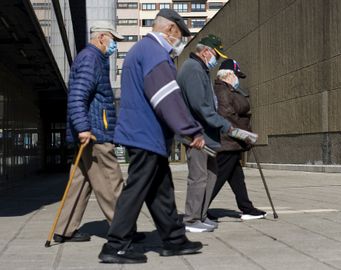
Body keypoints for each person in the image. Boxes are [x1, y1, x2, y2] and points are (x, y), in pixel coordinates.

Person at [98, 9, 205, 264]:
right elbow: (167, 98)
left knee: (160, 190)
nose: (179, 42)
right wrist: (190, 131)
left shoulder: (141, 50)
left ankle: (174, 240)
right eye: (180, 36)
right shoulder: (155, 53)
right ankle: (116, 246)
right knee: (136, 190)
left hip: (144, 134)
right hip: (145, 134)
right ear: (170, 30)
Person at [53, 21, 125, 243]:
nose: (115, 45)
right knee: (111, 181)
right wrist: (84, 128)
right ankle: (123, 229)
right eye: (113, 39)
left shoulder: (93, 59)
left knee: (80, 183)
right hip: (96, 134)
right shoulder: (91, 58)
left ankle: (64, 229)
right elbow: (77, 96)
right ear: (102, 37)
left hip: (91, 130)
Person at [177, 34, 231, 233]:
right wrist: (225, 126)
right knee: (199, 177)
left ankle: (200, 215)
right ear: (206, 52)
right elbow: (200, 106)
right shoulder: (192, 70)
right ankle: (191, 219)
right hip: (197, 134)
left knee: (211, 174)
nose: (216, 59)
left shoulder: (199, 68)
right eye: (216, 54)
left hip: (204, 134)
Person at [208, 59, 266, 220]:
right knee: (218, 178)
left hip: (231, 143)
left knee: (237, 178)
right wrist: (245, 136)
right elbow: (227, 117)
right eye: (236, 76)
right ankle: (200, 209)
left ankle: (246, 207)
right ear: (227, 75)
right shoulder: (222, 91)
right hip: (227, 142)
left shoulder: (227, 90)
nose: (238, 79)